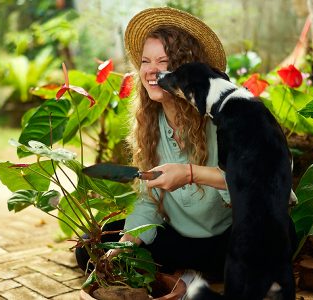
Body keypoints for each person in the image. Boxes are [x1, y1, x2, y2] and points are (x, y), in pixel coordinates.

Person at [75, 7, 233, 279]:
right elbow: (150, 202)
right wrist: (124, 246)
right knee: (88, 247)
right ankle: (182, 274)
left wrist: (190, 174)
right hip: (178, 236)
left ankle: (183, 274)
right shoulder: (149, 124)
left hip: (227, 238)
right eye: (146, 61)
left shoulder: (221, 115)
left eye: (164, 61)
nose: (151, 71)